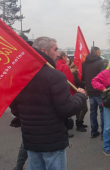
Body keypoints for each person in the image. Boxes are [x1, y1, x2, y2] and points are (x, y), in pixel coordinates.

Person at [10, 36, 87, 170]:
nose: (58, 54)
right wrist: (80, 96)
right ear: (44, 51)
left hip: (31, 140)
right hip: (52, 142)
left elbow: (15, 109)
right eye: (55, 49)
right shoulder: (55, 76)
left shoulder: (19, 75)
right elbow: (67, 109)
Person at [57, 51, 87, 132]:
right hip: (70, 91)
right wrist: (76, 90)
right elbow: (70, 81)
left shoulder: (55, 65)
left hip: (58, 91)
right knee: (81, 108)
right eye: (66, 57)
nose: (67, 59)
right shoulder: (65, 67)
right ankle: (75, 125)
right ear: (63, 57)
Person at [82, 47, 106, 139]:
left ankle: (94, 131)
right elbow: (104, 76)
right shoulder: (100, 62)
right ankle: (104, 133)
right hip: (99, 91)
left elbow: (83, 77)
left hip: (90, 90)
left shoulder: (84, 63)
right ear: (97, 52)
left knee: (93, 112)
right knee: (103, 112)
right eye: (99, 52)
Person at [70, 63, 89, 132]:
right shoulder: (76, 73)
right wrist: (86, 82)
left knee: (81, 108)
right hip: (79, 91)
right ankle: (79, 124)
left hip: (78, 91)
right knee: (84, 109)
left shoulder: (74, 72)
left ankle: (79, 122)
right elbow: (79, 82)